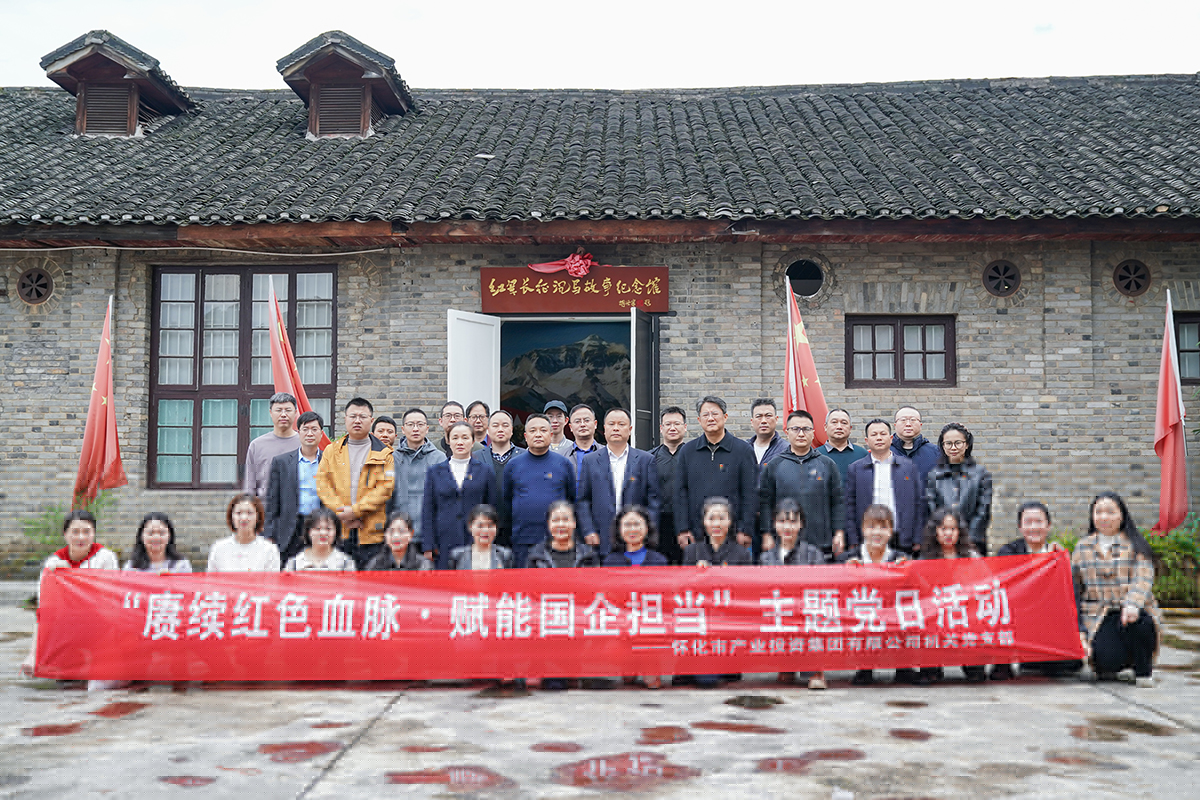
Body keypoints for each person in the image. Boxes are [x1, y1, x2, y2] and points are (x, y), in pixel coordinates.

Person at [1072, 492, 1161, 688]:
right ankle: (1116, 663)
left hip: (1132, 610)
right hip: (1099, 614)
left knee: (1141, 624)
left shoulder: (1135, 544)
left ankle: (1143, 670)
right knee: (1105, 663)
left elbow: (1143, 577)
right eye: (1098, 512)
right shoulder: (1082, 547)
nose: (1104, 517)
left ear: (1122, 515)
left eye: (1110, 512)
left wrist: (1133, 604)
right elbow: (1074, 586)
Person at [21, 509, 121, 683]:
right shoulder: (53, 563)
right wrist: (32, 655)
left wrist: (74, 578)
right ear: (65, 535)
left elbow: (112, 599)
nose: (81, 537)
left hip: (99, 626)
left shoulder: (106, 558)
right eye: (75, 532)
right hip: (66, 629)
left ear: (94, 533)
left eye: (87, 532)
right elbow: (44, 612)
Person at [993, 502, 1076, 680]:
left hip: (1047, 618)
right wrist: (1044, 561)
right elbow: (1005, 588)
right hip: (1017, 614)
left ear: (1048, 526)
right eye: (1028, 522)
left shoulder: (1059, 555)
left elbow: (1069, 595)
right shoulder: (1008, 551)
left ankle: (1039, 658)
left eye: (1038, 522)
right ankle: (1003, 662)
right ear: (1020, 527)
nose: (1033, 527)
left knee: (1069, 664)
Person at [526, 501, 600, 691]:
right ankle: (555, 671)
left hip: (580, 614)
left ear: (574, 523)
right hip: (548, 617)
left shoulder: (588, 555)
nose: (561, 525)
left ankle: (575, 670)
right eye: (556, 520)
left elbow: (595, 591)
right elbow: (529, 593)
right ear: (548, 524)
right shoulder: (536, 554)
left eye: (566, 520)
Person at [316, 397, 395, 569]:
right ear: (345, 419)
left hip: (371, 533)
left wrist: (355, 511)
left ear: (371, 421)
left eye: (362, 416)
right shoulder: (331, 451)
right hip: (339, 529)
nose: (357, 420)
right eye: (353, 416)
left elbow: (385, 489)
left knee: (370, 579)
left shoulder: (385, 454)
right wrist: (341, 512)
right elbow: (322, 484)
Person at [759, 499, 828, 689]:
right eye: (782, 521)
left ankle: (815, 670)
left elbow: (822, 588)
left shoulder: (813, 554)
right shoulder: (766, 557)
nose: (787, 527)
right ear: (774, 524)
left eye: (792, 521)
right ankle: (786, 665)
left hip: (806, 610)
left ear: (801, 524)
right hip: (781, 612)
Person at [758, 410, 845, 559]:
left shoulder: (827, 464)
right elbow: (765, 503)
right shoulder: (774, 465)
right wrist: (766, 534)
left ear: (813, 432)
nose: (801, 434)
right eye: (795, 429)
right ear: (787, 432)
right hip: (783, 543)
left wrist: (839, 532)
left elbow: (837, 502)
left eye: (806, 429)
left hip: (821, 543)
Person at [675, 396, 758, 552]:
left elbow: (750, 493)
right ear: (699, 420)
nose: (710, 418)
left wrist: (745, 529)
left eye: (715, 413)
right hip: (697, 534)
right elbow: (680, 493)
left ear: (725, 417)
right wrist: (682, 529)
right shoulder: (687, 451)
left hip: (734, 535)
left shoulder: (743, 450)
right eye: (705, 415)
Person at [576, 408, 660, 559]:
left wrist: (647, 531)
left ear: (630, 429)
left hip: (636, 538)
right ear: (604, 429)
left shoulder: (645, 460)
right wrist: (588, 530)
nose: (616, 428)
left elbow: (654, 501)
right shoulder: (590, 461)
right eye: (611, 424)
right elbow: (583, 500)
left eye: (621, 424)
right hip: (600, 537)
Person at [839, 504, 908, 685]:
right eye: (871, 527)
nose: (877, 532)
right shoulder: (847, 559)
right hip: (861, 617)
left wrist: (908, 573)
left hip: (892, 618)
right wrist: (844, 573)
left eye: (883, 527)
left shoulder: (901, 559)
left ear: (891, 531)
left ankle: (903, 667)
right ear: (863, 529)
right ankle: (865, 667)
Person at [917, 508, 984, 683]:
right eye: (943, 528)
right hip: (936, 615)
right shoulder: (925, 558)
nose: (948, 533)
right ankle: (932, 667)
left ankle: (972, 664)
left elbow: (986, 583)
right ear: (935, 531)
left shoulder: (972, 556)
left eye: (953, 529)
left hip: (965, 614)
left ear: (959, 531)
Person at [422, 421, 500, 569]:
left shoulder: (485, 471)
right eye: (455, 438)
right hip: (443, 539)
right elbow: (428, 510)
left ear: (473, 441)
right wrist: (428, 544)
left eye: (465, 437)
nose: (460, 442)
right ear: (448, 441)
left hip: (476, 539)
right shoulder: (435, 472)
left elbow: (492, 508)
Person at [501, 413, 575, 569]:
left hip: (556, 540)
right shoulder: (513, 465)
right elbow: (506, 503)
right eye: (533, 430)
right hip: (522, 540)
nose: (538, 434)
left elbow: (572, 500)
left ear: (551, 434)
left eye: (543, 430)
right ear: (525, 436)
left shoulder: (563, 464)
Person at [845, 419, 925, 554]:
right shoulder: (856, 469)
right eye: (874, 434)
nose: (879, 438)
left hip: (902, 537)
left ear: (891, 438)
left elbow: (920, 503)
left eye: (883, 434)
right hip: (869, 537)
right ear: (867, 440)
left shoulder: (908, 467)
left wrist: (918, 537)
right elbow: (849, 506)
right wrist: (853, 540)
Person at [263, 410, 325, 567]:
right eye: (305, 429)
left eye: (314, 429)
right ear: (299, 432)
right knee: (287, 571)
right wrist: (269, 532)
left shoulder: (330, 461)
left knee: (318, 570)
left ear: (321, 433)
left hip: (319, 526)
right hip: (289, 527)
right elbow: (272, 501)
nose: (309, 433)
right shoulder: (281, 462)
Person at [924, 422, 994, 555]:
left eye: (958, 443)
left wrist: (967, 539)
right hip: (942, 543)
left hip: (973, 541)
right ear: (942, 446)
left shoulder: (981, 474)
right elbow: (932, 509)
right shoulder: (934, 475)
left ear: (967, 444)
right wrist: (944, 534)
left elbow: (983, 510)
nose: (953, 447)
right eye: (948, 443)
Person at [387, 408, 447, 545]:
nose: (415, 429)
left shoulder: (439, 458)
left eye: (420, 424)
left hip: (430, 533)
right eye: (410, 424)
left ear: (427, 429)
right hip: (399, 533)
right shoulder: (392, 459)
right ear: (403, 429)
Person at [242, 392, 299, 497]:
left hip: (297, 505)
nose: (283, 414)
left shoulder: (305, 444)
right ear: (270, 413)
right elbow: (249, 485)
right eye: (278, 410)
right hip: (264, 504)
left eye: (288, 410)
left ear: (295, 413)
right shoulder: (257, 445)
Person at [651, 406, 688, 564]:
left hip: (687, 524)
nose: (672, 428)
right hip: (659, 524)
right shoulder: (650, 458)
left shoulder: (694, 455)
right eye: (668, 424)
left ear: (685, 427)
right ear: (661, 428)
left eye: (677, 424)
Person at [206, 494, 281, 572]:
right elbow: (211, 578)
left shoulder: (269, 550)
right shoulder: (218, 548)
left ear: (258, 517)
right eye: (238, 513)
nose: (244, 518)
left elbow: (272, 579)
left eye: (249, 513)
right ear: (231, 517)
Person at [285, 508, 356, 571]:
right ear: (308, 532)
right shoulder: (294, 564)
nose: (323, 533)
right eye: (317, 528)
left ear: (336, 532)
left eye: (328, 529)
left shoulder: (345, 563)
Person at [449, 505, 514, 570]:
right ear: (470, 527)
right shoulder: (457, 555)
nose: (485, 530)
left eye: (490, 526)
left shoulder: (505, 555)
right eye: (480, 526)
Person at [124, 512, 192, 573]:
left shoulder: (181, 565)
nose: (156, 537)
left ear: (170, 536)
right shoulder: (131, 567)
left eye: (162, 533)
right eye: (150, 533)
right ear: (141, 536)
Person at [603, 506, 669, 567]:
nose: (632, 529)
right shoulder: (610, 562)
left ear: (647, 528)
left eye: (637, 524)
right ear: (619, 529)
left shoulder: (659, 560)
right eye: (627, 525)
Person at [366, 511, 433, 571]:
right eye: (391, 531)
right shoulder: (375, 564)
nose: (396, 536)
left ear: (411, 534)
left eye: (401, 531)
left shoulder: (423, 565)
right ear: (385, 535)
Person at [819, 408, 868, 484]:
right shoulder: (815, 455)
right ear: (825, 427)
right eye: (834, 422)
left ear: (850, 428)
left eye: (844, 423)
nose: (839, 427)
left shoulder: (863, 455)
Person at [891, 406, 939, 481]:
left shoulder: (936, 452)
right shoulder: (884, 452)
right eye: (903, 420)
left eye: (913, 420)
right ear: (895, 425)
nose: (908, 424)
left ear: (920, 425)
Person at [565, 404, 600, 494]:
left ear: (595, 424)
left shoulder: (608, 454)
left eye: (587, 420)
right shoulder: (560, 456)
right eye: (577, 421)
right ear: (570, 427)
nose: (582, 424)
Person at [746, 398, 787, 472]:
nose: (763, 421)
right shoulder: (743, 448)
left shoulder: (786, 450)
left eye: (768, 416)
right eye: (758, 416)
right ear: (752, 422)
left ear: (776, 419)